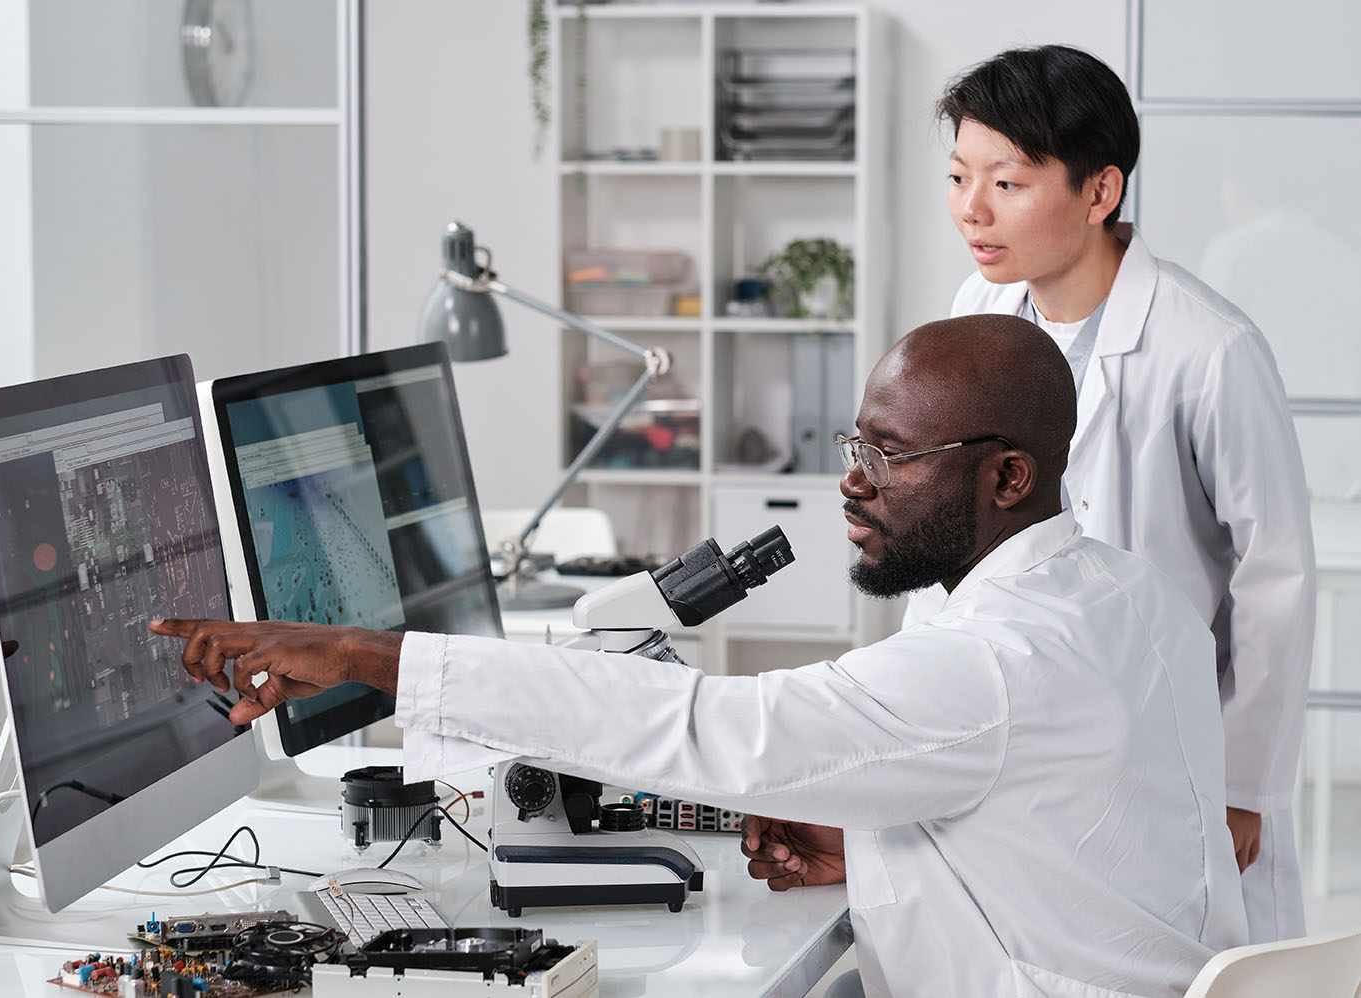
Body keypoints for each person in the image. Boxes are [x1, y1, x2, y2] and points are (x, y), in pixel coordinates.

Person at [154, 315, 1247, 998]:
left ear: (1008, 479)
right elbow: (1068, 849)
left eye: (891, 453)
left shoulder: (997, 660)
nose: (852, 481)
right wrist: (879, 850)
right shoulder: (1129, 590)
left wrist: (377, 656)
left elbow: (713, 728)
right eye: (853, 443)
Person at [918, 44, 1316, 942]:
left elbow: (1276, 575)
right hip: (1020, 728)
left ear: (1100, 192)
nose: (971, 211)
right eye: (957, 176)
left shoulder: (1206, 348)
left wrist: (1245, 782)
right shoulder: (973, 314)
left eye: (1008, 183)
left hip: (1172, 750)